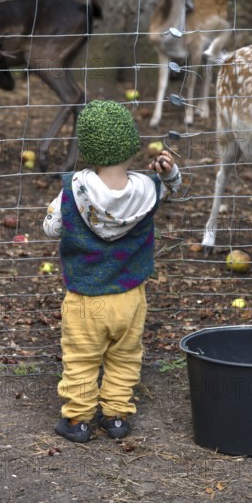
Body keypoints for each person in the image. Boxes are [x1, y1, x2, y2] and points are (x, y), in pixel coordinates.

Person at [43, 100, 182, 443]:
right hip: (130, 296)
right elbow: (173, 187)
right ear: (131, 145)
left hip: (85, 299)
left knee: (81, 359)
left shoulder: (73, 189)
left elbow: (51, 229)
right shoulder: (147, 188)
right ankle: (117, 416)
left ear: (87, 148)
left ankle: (78, 421)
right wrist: (168, 173)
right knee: (125, 356)